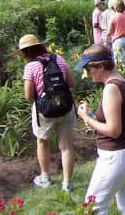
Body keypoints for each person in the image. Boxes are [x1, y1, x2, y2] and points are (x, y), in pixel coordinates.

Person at [75, 44, 125, 215]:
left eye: (88, 67)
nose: (86, 72)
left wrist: (87, 119)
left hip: (117, 156)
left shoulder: (111, 88)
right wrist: (94, 118)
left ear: (101, 66)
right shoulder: (120, 80)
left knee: (92, 207)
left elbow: (114, 130)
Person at [15, 34, 76, 192]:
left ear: (25, 52)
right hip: (65, 106)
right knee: (66, 146)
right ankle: (67, 183)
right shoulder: (58, 59)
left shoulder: (30, 67)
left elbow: (28, 96)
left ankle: (45, 177)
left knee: (42, 142)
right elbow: (71, 83)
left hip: (44, 111)